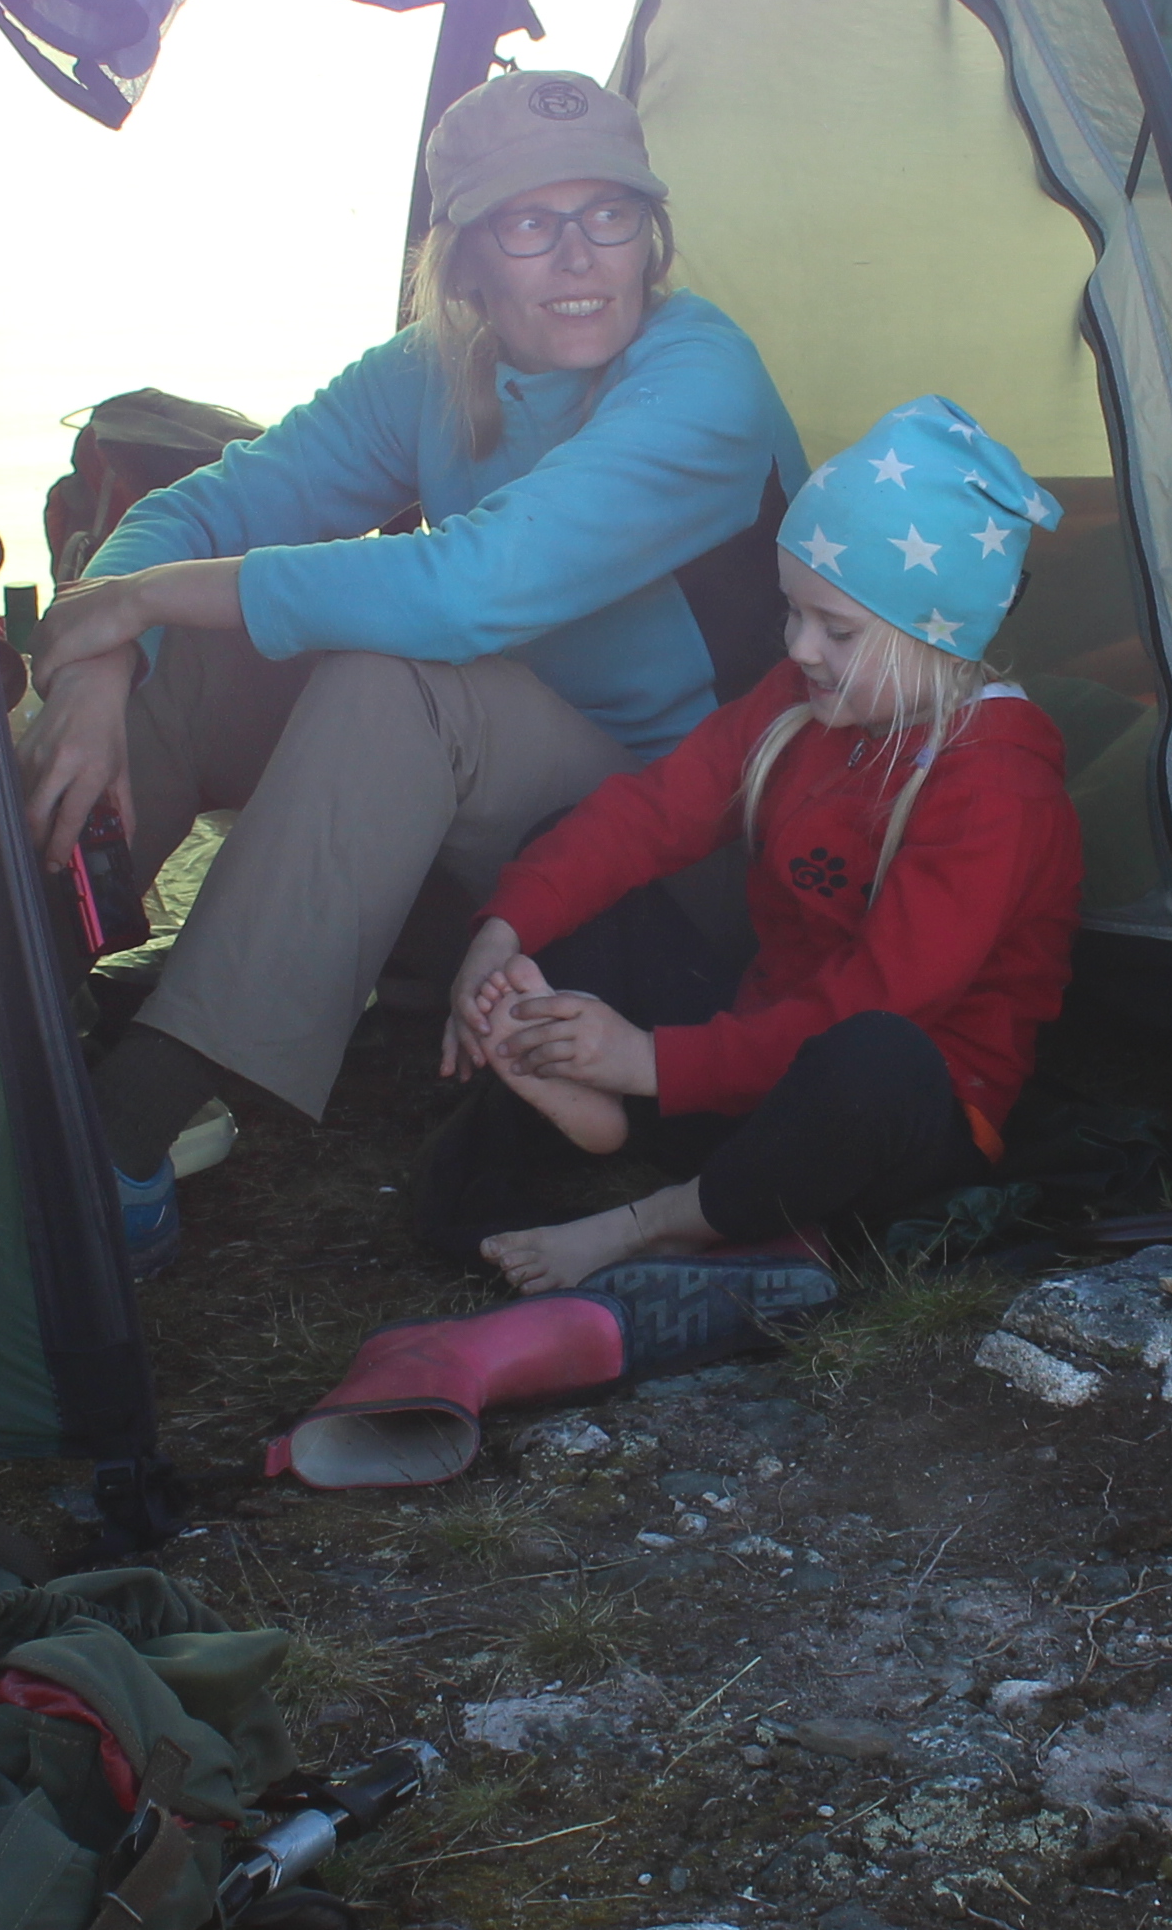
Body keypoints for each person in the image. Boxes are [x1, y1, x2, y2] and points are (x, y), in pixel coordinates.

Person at [11, 67, 795, 1269]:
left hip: (687, 854)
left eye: (611, 214)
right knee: (190, 666)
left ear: (653, 234)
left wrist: (138, 600)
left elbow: (476, 587)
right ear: (470, 259)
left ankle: (120, 1143)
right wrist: (101, 662)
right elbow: (213, 508)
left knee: (396, 678)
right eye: (532, 224)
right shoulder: (434, 370)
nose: (582, 255)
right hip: (490, 822)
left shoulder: (701, 380)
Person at [420, 394, 1081, 1295]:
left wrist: (651, 1059)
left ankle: (655, 1223)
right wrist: (504, 930)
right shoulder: (798, 705)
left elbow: (876, 1001)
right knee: (568, 857)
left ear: (937, 635)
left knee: (873, 1059)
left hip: (892, 1121)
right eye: (792, 612)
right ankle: (613, 1117)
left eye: (837, 629)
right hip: (752, 1064)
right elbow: (652, 815)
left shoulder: (994, 787)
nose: (799, 647)